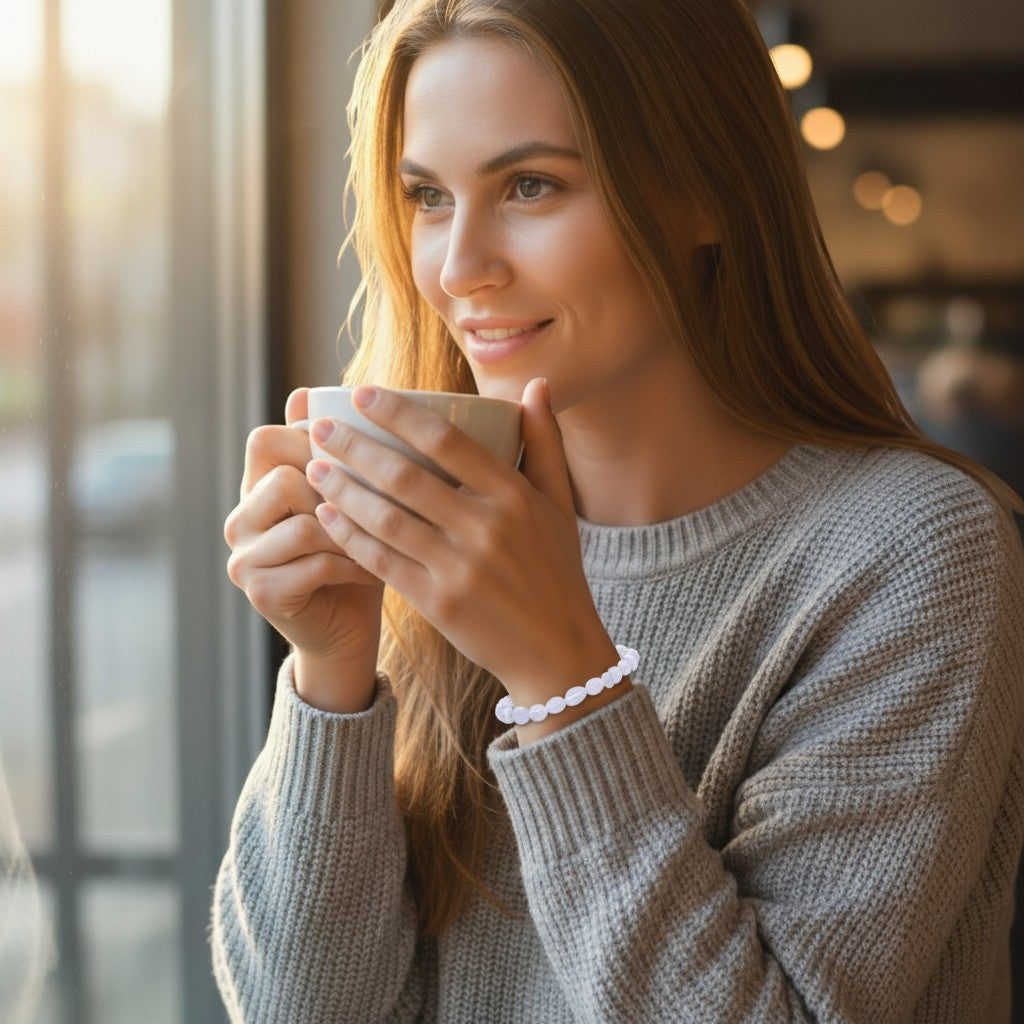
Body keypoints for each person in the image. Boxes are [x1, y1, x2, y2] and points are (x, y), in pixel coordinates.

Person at [211, 0, 1024, 1020]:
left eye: (530, 184)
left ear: (704, 191)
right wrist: (332, 676)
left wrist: (564, 680)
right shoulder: (449, 540)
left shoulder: (912, 551)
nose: (459, 268)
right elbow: (301, 1008)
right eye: (426, 196)